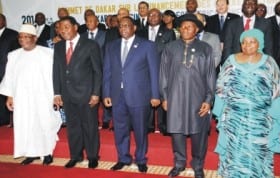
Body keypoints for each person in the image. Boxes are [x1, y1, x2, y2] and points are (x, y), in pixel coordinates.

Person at [212, 29, 280, 178]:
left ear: (260, 43)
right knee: (234, 147)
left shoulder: (269, 62)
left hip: (260, 118)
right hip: (235, 116)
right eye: (244, 42)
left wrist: (276, 114)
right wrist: (221, 111)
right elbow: (221, 86)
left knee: (258, 149)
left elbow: (277, 88)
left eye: (252, 42)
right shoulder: (230, 60)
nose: (247, 46)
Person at [160, 14, 215, 178]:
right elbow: (163, 74)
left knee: (199, 134)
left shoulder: (205, 48)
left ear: (196, 29)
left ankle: (198, 165)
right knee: (177, 133)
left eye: (189, 26)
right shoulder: (170, 48)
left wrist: (208, 99)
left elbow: (211, 76)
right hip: (175, 97)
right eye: (183, 26)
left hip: (197, 98)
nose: (185, 29)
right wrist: (164, 97)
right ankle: (179, 163)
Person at [102, 16, 160, 173]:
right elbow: (107, 71)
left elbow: (154, 72)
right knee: (120, 129)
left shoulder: (147, 45)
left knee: (140, 130)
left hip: (139, 95)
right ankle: (123, 158)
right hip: (116, 95)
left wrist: (155, 95)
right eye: (120, 26)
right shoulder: (111, 46)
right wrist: (106, 93)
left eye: (127, 25)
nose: (123, 29)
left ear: (134, 27)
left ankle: (141, 159)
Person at [0, 24, 62, 165]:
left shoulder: (47, 54)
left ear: (35, 38)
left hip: (43, 96)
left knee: (45, 123)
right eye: (21, 37)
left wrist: (56, 95)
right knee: (26, 124)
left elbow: (55, 76)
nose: (23, 40)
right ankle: (31, 153)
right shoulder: (13, 55)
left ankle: (47, 152)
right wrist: (10, 96)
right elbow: (9, 77)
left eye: (27, 37)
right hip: (22, 97)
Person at [53, 16, 102, 169]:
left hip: (86, 94)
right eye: (61, 27)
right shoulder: (59, 46)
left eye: (67, 26)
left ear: (75, 27)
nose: (63, 30)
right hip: (67, 95)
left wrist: (96, 93)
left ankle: (92, 156)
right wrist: (57, 93)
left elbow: (97, 71)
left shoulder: (90, 44)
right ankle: (76, 155)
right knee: (73, 127)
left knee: (89, 126)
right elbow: (56, 70)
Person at [0, 13, 18, 126]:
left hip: (5, 70)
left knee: (5, 97)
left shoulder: (13, 34)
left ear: (4, 21)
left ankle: (5, 120)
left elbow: (16, 54)